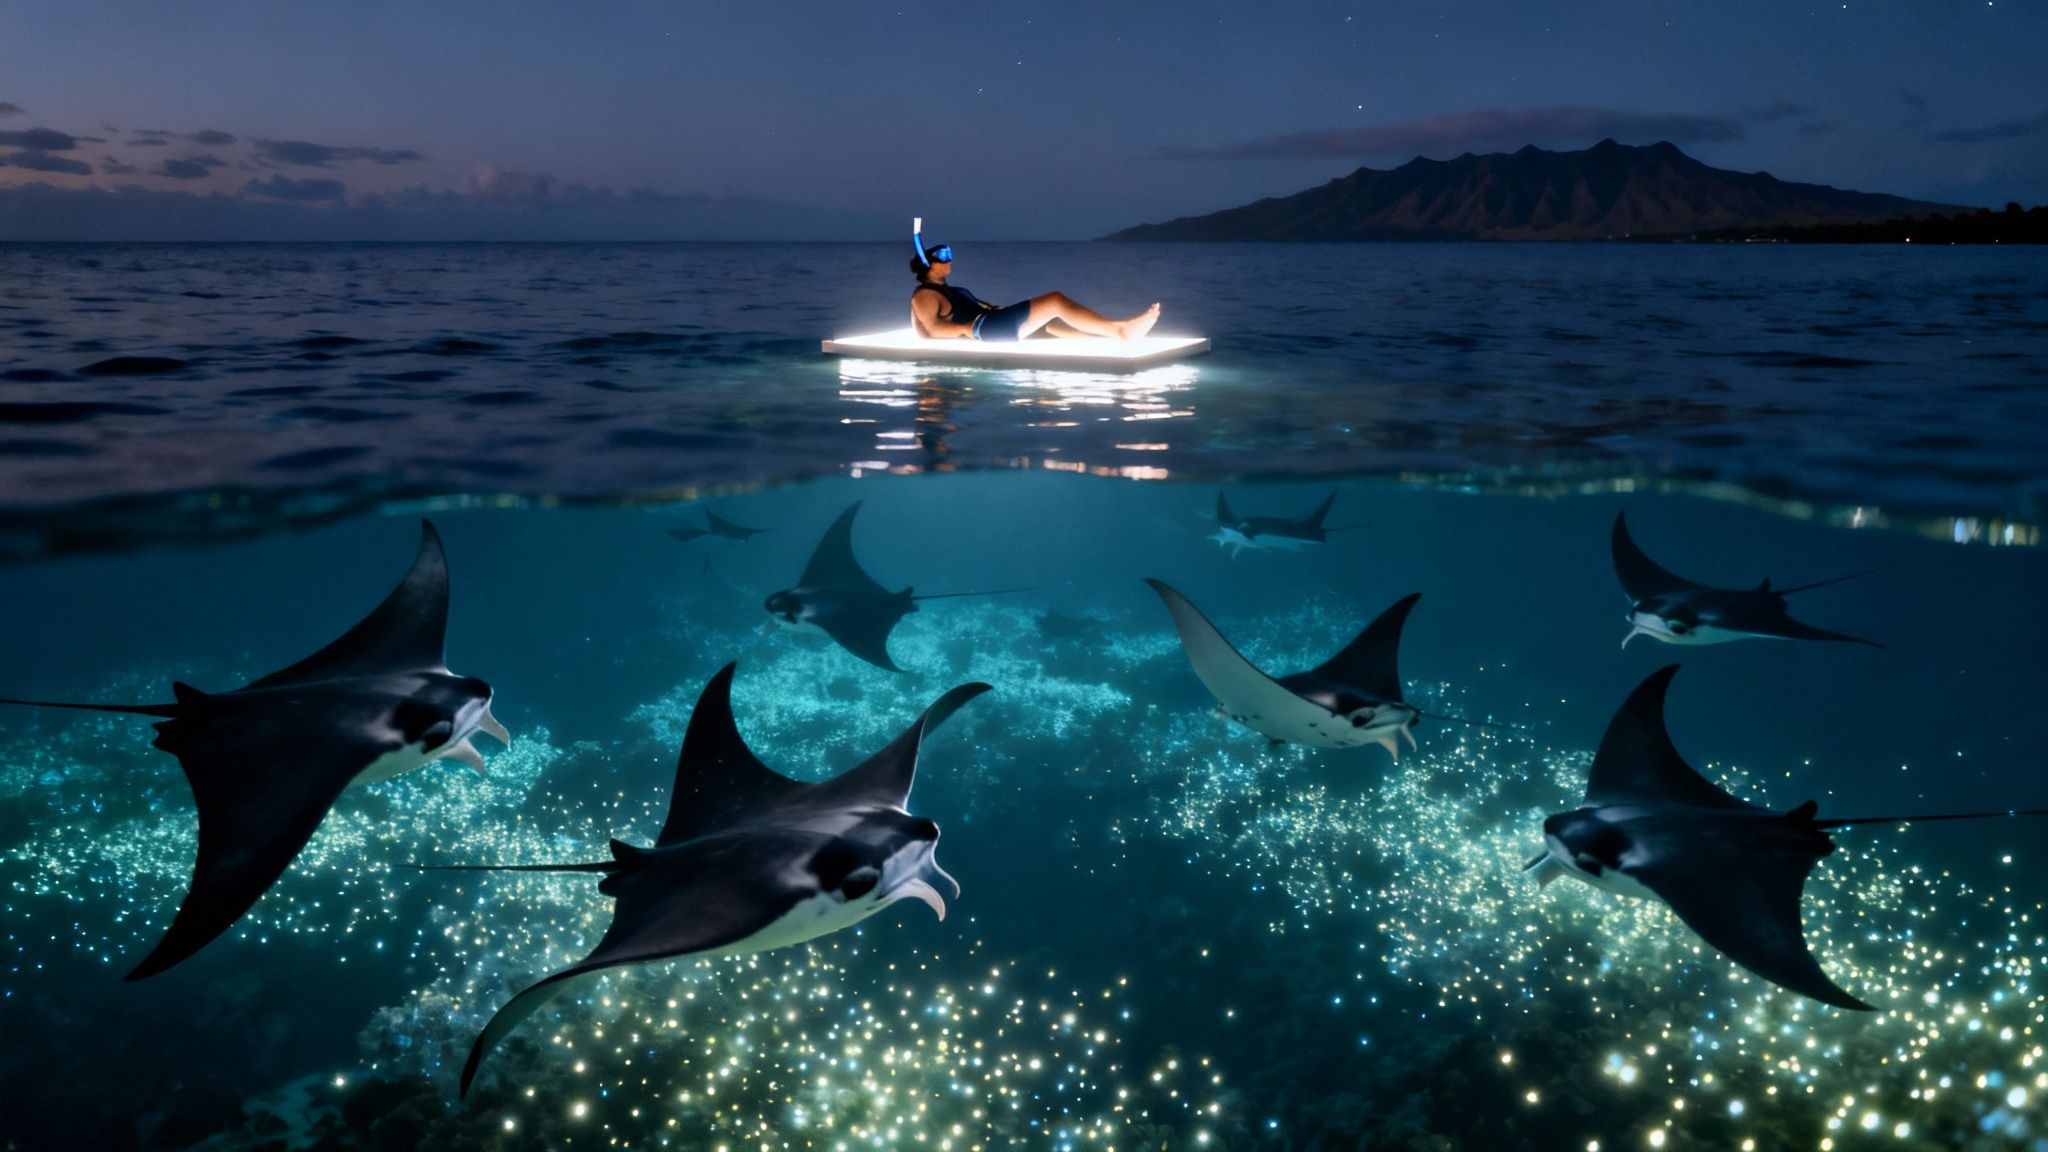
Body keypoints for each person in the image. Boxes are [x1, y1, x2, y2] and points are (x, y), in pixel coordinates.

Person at [908, 241, 1161, 342]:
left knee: (1054, 327)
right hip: (985, 329)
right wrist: (964, 329)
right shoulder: (925, 295)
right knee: (1055, 301)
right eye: (943, 257)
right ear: (928, 265)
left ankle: (1109, 336)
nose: (950, 260)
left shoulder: (951, 290)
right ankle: (1121, 330)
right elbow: (929, 328)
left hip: (993, 320)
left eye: (950, 255)